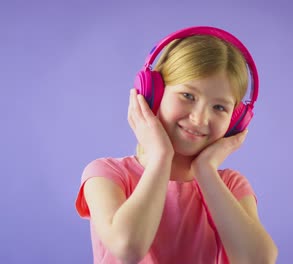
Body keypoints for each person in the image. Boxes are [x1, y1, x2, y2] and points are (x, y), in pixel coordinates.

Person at [75, 26, 278, 264]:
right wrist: (161, 156)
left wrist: (205, 171)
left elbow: (258, 260)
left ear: (236, 120)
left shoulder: (230, 186)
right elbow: (129, 248)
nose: (199, 119)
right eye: (188, 96)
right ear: (153, 93)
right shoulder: (107, 174)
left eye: (219, 107)